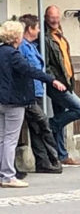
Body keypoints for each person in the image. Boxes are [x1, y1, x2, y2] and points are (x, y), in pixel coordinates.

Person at [0, 21, 67, 188]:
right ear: (16, 36)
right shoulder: (13, 55)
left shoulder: (1, 52)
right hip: (14, 101)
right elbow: (29, 71)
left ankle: (3, 173)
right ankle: (7, 176)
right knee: (10, 139)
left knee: (2, 138)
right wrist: (52, 80)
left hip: (1, 100)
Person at [44, 5, 80, 167]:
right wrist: (54, 81)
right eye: (51, 17)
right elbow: (46, 64)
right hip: (58, 84)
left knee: (62, 118)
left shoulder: (59, 35)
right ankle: (50, 124)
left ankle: (61, 155)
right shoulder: (45, 38)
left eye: (56, 17)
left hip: (66, 83)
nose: (55, 20)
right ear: (46, 18)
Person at [18, 14, 62, 174]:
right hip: (28, 92)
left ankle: (44, 162)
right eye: (36, 28)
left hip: (36, 90)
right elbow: (28, 69)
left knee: (37, 128)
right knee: (41, 125)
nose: (38, 31)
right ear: (29, 29)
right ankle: (49, 161)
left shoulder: (30, 45)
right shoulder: (22, 46)